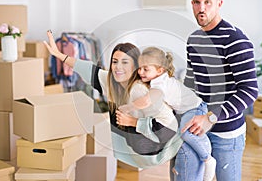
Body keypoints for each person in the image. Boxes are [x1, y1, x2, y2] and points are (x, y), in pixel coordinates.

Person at [43, 30, 183, 168]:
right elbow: (87, 69)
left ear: (135, 66)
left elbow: (169, 126)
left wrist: (134, 122)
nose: (118, 67)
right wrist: (59, 55)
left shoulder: (138, 91)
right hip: (157, 153)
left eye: (125, 62)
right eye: (115, 62)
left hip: (178, 146)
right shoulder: (111, 82)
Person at [178, 0, 259, 181]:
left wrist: (210, 118)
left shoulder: (235, 39)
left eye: (208, 2)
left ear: (219, 3)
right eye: (196, 2)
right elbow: (192, 81)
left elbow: (249, 91)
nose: (201, 8)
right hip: (197, 128)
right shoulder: (193, 39)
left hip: (226, 133)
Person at [118, 46, 216, 181]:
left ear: (160, 70)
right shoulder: (159, 80)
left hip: (194, 108)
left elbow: (147, 101)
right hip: (186, 110)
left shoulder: (160, 83)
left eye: (146, 69)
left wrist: (129, 107)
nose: (140, 72)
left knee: (185, 131)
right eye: (139, 68)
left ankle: (208, 159)